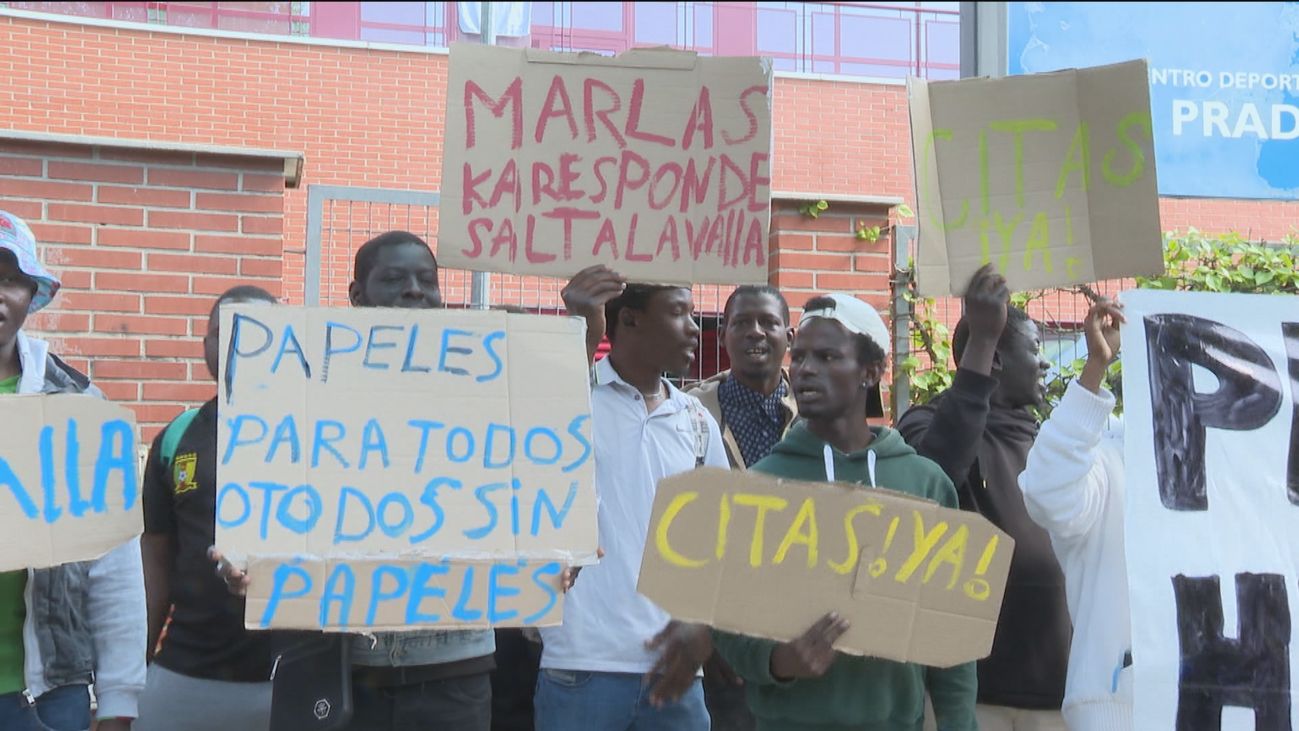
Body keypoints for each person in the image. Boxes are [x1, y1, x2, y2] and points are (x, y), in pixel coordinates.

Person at [211, 231, 610, 730]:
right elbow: (266, 510)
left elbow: (549, 438)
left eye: (428, 280)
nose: (415, 290)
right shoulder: (311, 393)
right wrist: (245, 565)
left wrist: (560, 553)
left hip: (455, 671)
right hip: (342, 670)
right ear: (357, 296)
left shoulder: (482, 386)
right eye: (395, 279)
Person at [712, 293, 977, 731]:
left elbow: (950, 633)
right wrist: (778, 661)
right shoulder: (758, 484)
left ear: (870, 373)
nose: (804, 369)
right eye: (799, 357)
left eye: (827, 356)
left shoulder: (926, 485)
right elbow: (728, 622)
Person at [534, 283, 730, 731]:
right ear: (630, 320)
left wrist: (704, 627)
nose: (695, 328)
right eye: (680, 313)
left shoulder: (697, 422)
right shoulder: (570, 402)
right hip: (581, 666)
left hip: (675, 673)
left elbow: (720, 541)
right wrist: (579, 333)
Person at [896, 264, 1069, 731]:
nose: (1045, 361)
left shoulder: (1052, 441)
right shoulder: (923, 423)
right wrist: (983, 338)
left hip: (1056, 694)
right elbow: (940, 473)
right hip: (968, 694)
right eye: (1035, 349)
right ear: (993, 358)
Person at [0, 209, 146, 731]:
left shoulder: (77, 405)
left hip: (42, 699)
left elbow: (115, 564)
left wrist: (118, 700)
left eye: (11, 278)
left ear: (33, 296)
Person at [136, 285, 280, 731]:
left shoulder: (326, 437)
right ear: (206, 346)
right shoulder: (177, 437)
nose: (240, 344)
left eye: (259, 333)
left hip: (295, 679)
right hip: (187, 674)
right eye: (226, 332)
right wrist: (129, 676)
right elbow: (155, 572)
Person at [684, 285, 795, 731]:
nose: (755, 333)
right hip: (719, 637)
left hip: (799, 632)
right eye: (741, 323)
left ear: (789, 334)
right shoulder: (689, 414)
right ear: (724, 335)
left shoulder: (818, 413)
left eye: (768, 322)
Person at [1018, 299, 1132, 731]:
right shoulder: (1108, 461)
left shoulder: (1245, 479)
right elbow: (1048, 491)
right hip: (1116, 710)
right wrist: (1093, 374)